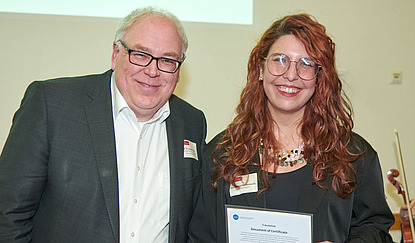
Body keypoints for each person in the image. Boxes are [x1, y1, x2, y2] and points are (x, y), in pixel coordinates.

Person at [0, 6, 206, 243]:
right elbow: (8, 215)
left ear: (178, 69)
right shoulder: (52, 105)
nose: (152, 71)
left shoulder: (192, 123)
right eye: (140, 54)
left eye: (168, 60)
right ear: (115, 54)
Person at [189, 14, 394, 243]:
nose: (290, 75)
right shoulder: (222, 154)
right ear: (260, 68)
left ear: (319, 77)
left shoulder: (353, 156)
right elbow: (200, 236)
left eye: (306, 64)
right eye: (280, 60)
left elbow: (376, 228)